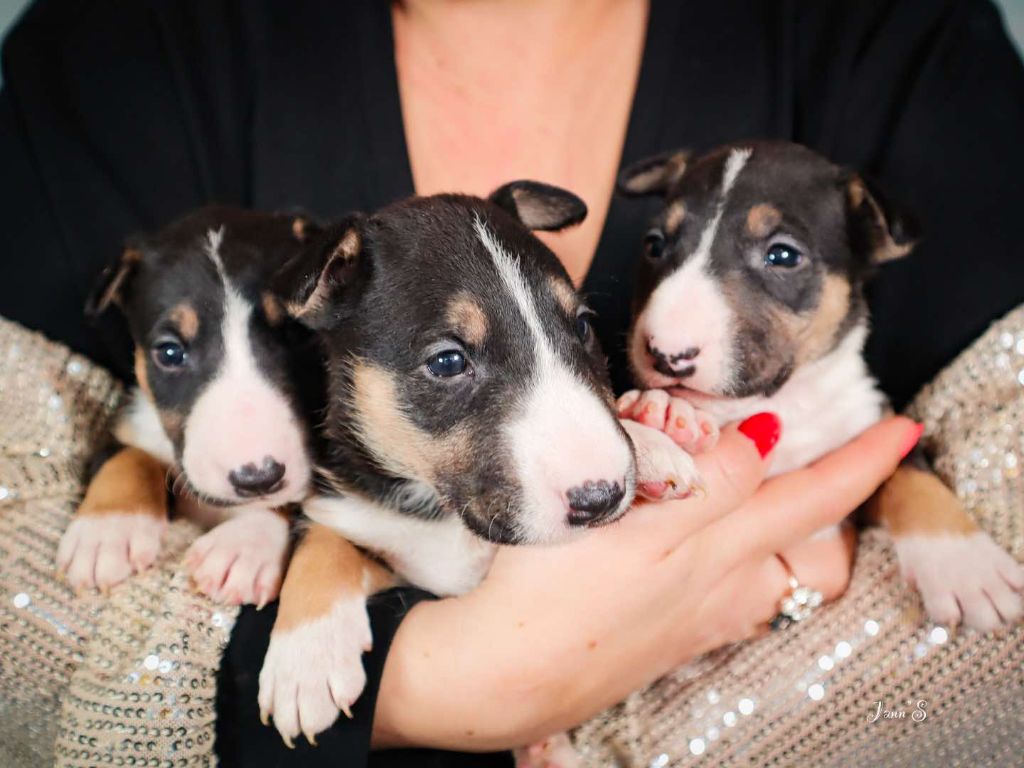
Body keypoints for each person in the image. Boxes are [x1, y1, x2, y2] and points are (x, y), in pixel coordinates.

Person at [1, 1, 1022, 766]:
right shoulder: (121, 45)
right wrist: (446, 685)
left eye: (580, 330)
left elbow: (998, 637)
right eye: (447, 362)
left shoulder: (892, 30)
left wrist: (704, 655)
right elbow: (23, 586)